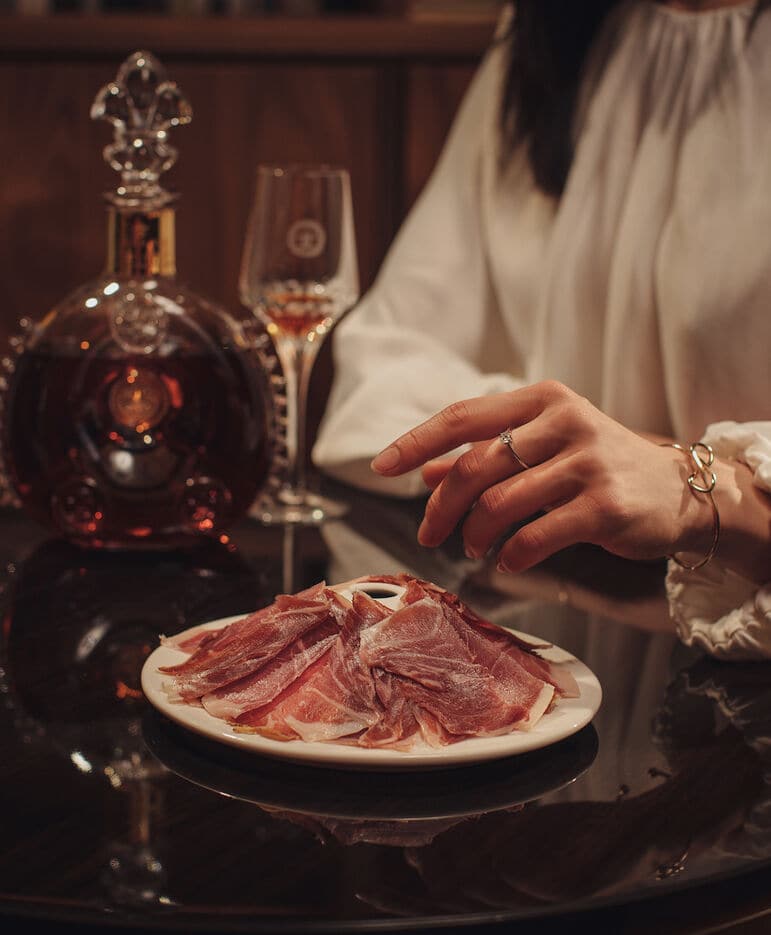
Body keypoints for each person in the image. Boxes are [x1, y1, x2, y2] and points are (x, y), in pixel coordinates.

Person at [312, 0, 771, 659]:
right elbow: (382, 368)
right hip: (565, 635)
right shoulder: (559, 29)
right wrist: (579, 451)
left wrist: (696, 486)